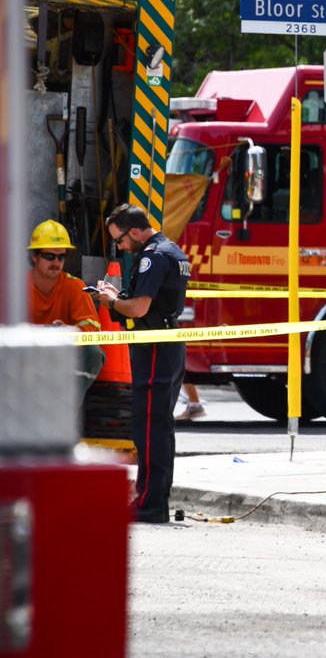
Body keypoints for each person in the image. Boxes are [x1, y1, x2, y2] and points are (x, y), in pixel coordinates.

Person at [95, 204, 191, 524]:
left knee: (149, 427)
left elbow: (138, 308)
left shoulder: (154, 256)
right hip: (165, 343)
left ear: (134, 232)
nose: (120, 247)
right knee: (158, 426)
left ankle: (150, 505)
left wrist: (110, 300)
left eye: (119, 240)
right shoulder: (171, 249)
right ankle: (153, 499)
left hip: (154, 346)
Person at [26, 219, 105, 389]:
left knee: (93, 352)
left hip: (62, 357)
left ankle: (65, 408)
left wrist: (69, 332)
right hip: (24, 355)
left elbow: (93, 330)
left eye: (61, 257)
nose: (56, 262)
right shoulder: (15, 286)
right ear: (34, 257)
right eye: (49, 256)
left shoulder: (75, 287)